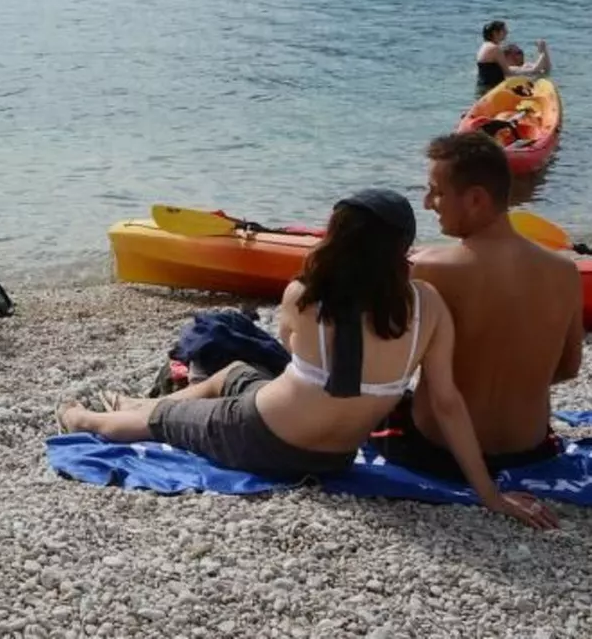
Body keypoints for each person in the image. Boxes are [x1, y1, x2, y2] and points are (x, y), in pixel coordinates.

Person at [58, 188, 556, 529]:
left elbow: (291, 346)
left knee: (167, 419)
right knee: (234, 373)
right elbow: (447, 403)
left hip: (260, 436)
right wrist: (489, 493)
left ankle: (88, 417)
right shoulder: (427, 305)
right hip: (335, 456)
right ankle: (133, 403)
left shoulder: (307, 293)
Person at [368, 133, 584, 480]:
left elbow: (391, 368)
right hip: (529, 450)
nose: (427, 203)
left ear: (475, 199)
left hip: (440, 448)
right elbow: (570, 367)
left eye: (436, 191)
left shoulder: (429, 269)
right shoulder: (565, 272)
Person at [476, 20, 548, 89]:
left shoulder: (484, 46)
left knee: (531, 70)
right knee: (534, 72)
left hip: (484, 86)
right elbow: (508, 73)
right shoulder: (495, 48)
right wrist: (542, 53)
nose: (507, 32)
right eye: (504, 31)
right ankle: (542, 52)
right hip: (493, 88)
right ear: (495, 33)